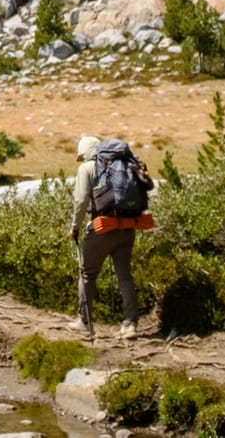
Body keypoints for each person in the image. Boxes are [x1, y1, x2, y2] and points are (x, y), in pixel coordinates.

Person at [70, 134, 154, 339]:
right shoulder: (125, 163)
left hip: (102, 228)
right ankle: (130, 324)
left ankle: (84, 321)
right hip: (128, 227)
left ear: (85, 152)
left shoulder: (87, 168)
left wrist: (74, 227)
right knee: (124, 276)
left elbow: (81, 201)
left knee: (87, 273)